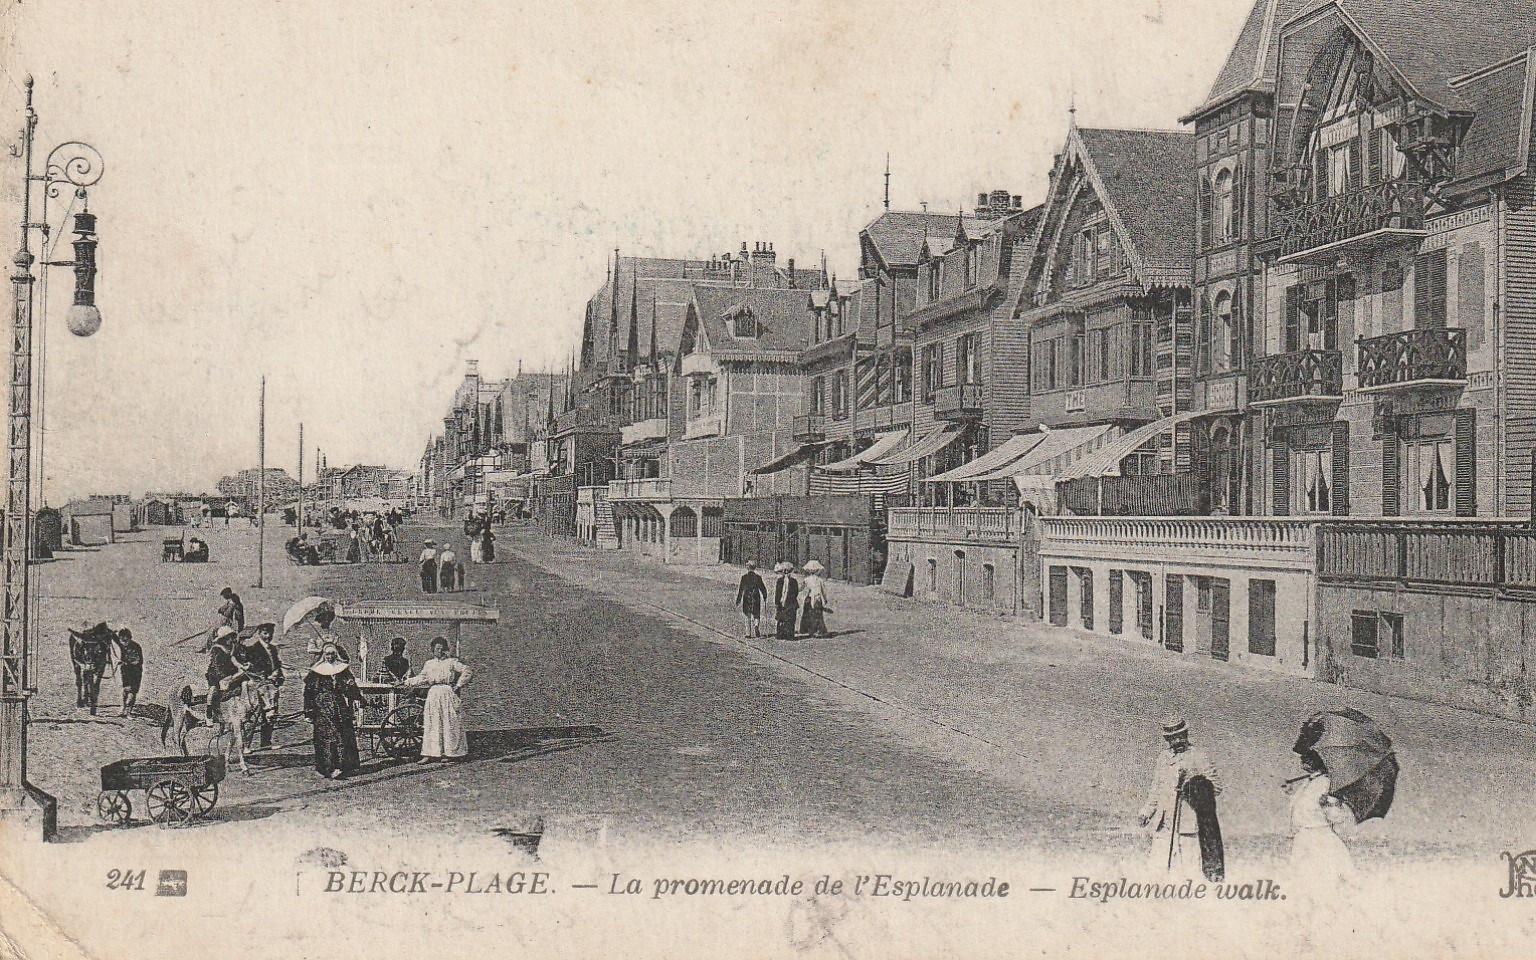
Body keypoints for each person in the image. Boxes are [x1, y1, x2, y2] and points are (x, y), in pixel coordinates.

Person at [1138, 717, 1223, 877]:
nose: (1176, 741)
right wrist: (1147, 811)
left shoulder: (1198, 756)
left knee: (1188, 871)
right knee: (1157, 870)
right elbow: (1156, 788)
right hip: (1163, 824)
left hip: (1187, 824)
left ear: (1186, 734)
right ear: (1167, 739)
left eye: (1180, 736)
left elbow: (1216, 787)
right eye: (1172, 738)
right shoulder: (1163, 758)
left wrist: (1191, 786)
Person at [1285, 748, 1354, 882]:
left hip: (1320, 837)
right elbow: (1301, 809)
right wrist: (1291, 794)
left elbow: (1338, 817)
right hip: (1303, 836)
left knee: (1323, 878)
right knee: (1301, 879)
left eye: (1307, 759)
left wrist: (1327, 804)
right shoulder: (1308, 782)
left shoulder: (1326, 783)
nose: (1303, 762)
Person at [405, 637, 473, 763]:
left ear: (445, 650)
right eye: (437, 649)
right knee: (432, 723)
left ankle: (450, 754)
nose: (439, 651)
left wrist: (458, 686)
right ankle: (429, 753)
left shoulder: (451, 662)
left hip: (447, 693)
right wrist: (408, 682)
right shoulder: (429, 664)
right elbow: (422, 677)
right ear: (433, 650)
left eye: (442, 649)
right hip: (433, 694)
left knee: (448, 723)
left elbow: (467, 671)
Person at [303, 643, 366, 779]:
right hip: (322, 708)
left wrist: (359, 698)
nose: (330, 657)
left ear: (335, 654)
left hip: (339, 706)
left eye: (332, 654)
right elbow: (308, 692)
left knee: (344, 736)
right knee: (327, 738)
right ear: (323, 656)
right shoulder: (317, 671)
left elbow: (350, 686)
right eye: (327, 654)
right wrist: (308, 711)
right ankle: (328, 768)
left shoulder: (342, 669)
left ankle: (346, 766)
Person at [234, 625, 281, 749]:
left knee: (271, 713)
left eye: (270, 633)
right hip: (258, 685)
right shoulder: (253, 649)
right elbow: (252, 667)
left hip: (271, 685)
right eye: (265, 633)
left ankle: (266, 742)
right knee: (253, 716)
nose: (268, 636)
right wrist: (264, 675)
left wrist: (277, 674)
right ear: (259, 634)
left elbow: (277, 665)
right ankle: (246, 745)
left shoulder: (273, 649)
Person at [205, 626, 242, 723]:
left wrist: (241, 667)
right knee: (213, 690)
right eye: (228, 638)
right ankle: (209, 713)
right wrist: (223, 677)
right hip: (215, 675)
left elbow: (234, 660)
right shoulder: (217, 650)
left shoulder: (231, 648)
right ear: (223, 639)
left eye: (231, 637)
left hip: (228, 673)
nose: (231, 640)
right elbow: (217, 666)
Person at [114, 628, 143, 718]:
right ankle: (123, 708)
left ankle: (129, 711)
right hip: (125, 672)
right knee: (125, 691)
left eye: (125, 639)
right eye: (121, 639)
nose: (123, 641)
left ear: (129, 638)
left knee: (132, 692)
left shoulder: (136, 647)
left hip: (135, 672)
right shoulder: (122, 646)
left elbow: (138, 661)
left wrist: (126, 662)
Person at [734, 562, 768, 638]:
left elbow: (741, 590)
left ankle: (748, 633)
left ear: (748, 567)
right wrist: (765, 596)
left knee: (747, 615)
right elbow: (763, 588)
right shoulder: (758, 577)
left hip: (747, 597)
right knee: (756, 614)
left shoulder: (744, 577)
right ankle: (756, 626)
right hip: (756, 597)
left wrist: (738, 600)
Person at [800, 561, 832, 638]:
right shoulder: (820, 580)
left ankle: (810, 629)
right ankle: (819, 630)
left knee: (809, 614)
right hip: (818, 598)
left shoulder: (806, 580)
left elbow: (801, 588)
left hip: (810, 598)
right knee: (818, 615)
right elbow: (823, 591)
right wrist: (825, 599)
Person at [773, 562, 799, 640]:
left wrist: (777, 602)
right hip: (790, 603)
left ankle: (781, 634)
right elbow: (795, 592)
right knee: (789, 619)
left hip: (784, 602)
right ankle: (788, 635)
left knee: (782, 618)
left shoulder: (780, 580)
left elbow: (777, 593)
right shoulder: (793, 581)